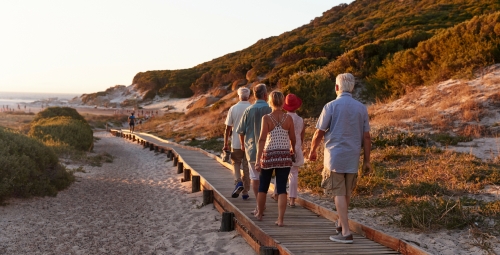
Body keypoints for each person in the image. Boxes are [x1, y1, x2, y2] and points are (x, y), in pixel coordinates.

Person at [308, 73, 372, 244]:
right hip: (352, 156)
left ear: (337, 87)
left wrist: (312, 150)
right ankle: (340, 222)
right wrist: (367, 160)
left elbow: (319, 132)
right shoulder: (361, 108)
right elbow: (367, 137)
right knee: (346, 193)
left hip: (335, 156)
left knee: (338, 193)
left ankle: (345, 232)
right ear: (352, 88)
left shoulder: (331, 106)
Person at [255, 90, 296, 226]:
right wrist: (293, 149)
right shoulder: (288, 118)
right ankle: (280, 219)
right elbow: (293, 138)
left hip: (269, 154)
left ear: (270, 102)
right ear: (283, 101)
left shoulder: (266, 118)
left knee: (263, 186)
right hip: (284, 155)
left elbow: (262, 139)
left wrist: (257, 159)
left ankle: (260, 213)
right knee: (282, 187)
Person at [235, 84, 272, 215]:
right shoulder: (270, 109)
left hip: (252, 148)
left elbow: (240, 130)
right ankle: (263, 205)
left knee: (255, 178)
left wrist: (242, 144)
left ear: (254, 95)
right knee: (265, 178)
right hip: (269, 149)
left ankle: (259, 206)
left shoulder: (248, 110)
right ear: (265, 95)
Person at [223, 87, 252, 199]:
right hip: (250, 143)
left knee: (236, 163)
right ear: (248, 96)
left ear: (239, 96)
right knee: (246, 167)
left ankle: (238, 181)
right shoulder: (252, 108)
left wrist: (225, 143)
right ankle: (245, 192)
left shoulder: (233, 108)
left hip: (236, 142)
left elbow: (228, 128)